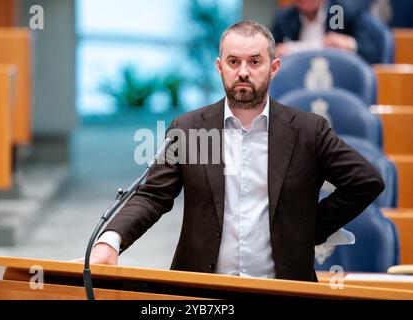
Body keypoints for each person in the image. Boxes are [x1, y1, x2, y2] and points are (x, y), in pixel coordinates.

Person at [88, 20, 384, 282]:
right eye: (233, 62)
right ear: (220, 67)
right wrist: (110, 242)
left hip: (284, 290)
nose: (243, 72)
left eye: (255, 62)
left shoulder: (309, 130)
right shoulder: (189, 129)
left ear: (274, 67)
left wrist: (310, 227)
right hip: (202, 292)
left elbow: (366, 181)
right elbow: (152, 196)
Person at [271, 0, 380, 63]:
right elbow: (269, 50)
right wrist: (275, 53)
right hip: (296, 79)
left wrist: (349, 44)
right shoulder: (285, 17)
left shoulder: (342, 11)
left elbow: (372, 53)